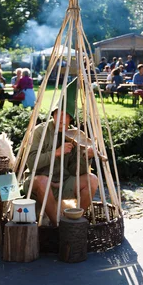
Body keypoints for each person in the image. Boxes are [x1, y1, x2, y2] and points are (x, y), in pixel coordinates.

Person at [23, 88, 98, 226]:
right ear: (53, 115)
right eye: (59, 114)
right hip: (39, 182)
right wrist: (56, 152)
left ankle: (74, 221)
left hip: (63, 182)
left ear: (70, 119)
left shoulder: (75, 135)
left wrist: (85, 156)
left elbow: (77, 171)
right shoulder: (40, 131)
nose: (62, 119)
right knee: (43, 182)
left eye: (66, 115)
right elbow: (31, 163)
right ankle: (57, 226)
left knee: (92, 180)